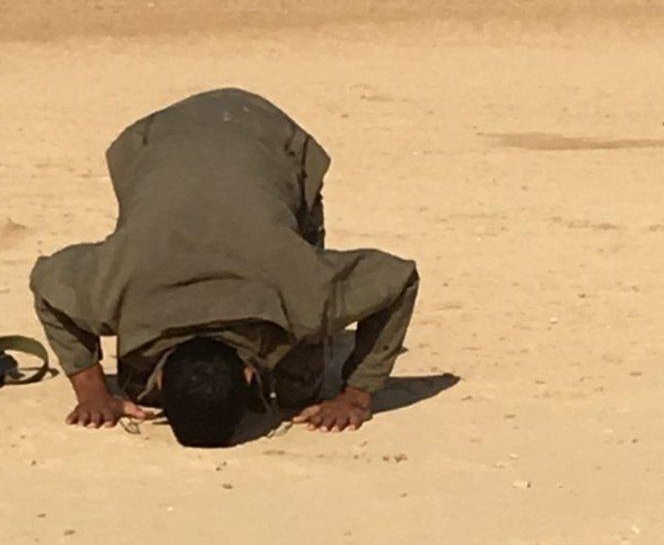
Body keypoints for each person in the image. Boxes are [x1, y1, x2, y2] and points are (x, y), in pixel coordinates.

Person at [29, 88, 419, 448]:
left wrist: (357, 395)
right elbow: (45, 282)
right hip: (156, 143)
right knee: (297, 379)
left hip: (269, 137)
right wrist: (93, 392)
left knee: (299, 387)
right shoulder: (114, 287)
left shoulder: (304, 290)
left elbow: (399, 279)